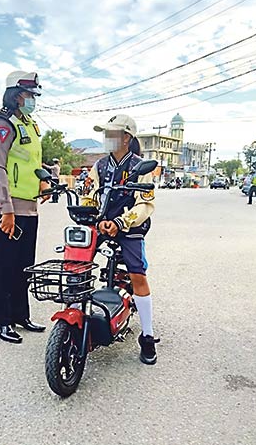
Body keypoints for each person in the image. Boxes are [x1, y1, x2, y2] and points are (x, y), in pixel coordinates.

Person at [87, 114, 159, 365]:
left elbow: (145, 206)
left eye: (111, 134)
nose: (106, 139)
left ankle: (148, 336)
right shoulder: (99, 166)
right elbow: (91, 196)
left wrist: (121, 222)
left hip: (130, 226)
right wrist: (91, 215)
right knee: (77, 262)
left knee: (138, 274)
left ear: (126, 138)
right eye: (105, 134)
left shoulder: (142, 166)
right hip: (102, 223)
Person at [0, 70, 49, 344]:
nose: (32, 100)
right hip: (7, 209)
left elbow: (30, 163)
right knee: (3, 266)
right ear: (15, 95)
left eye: (34, 95)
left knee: (24, 265)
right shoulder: (2, 124)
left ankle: (20, 315)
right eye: (28, 95)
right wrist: (6, 210)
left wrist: (44, 182)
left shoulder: (29, 124)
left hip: (29, 207)